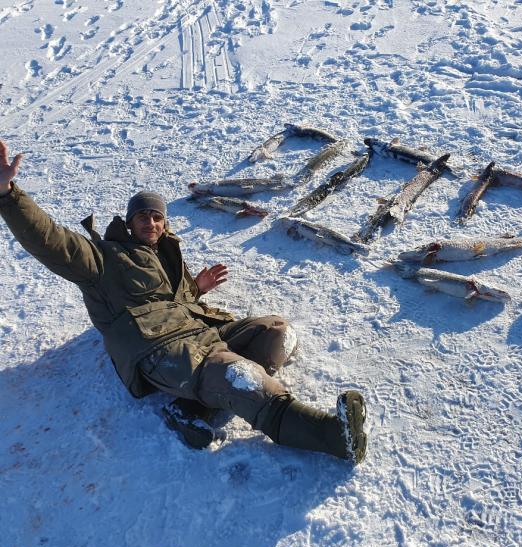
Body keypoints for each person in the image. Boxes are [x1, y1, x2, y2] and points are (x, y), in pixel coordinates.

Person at [0, 139, 367, 463]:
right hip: (158, 349)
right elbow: (49, 240)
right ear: (129, 223)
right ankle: (332, 436)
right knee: (239, 376)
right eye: (142, 215)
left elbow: (171, 300)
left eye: (157, 216)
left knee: (276, 331)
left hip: (198, 331)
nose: (151, 221)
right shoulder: (102, 258)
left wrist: (196, 290)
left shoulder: (165, 254)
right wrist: (9, 194)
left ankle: (192, 407)